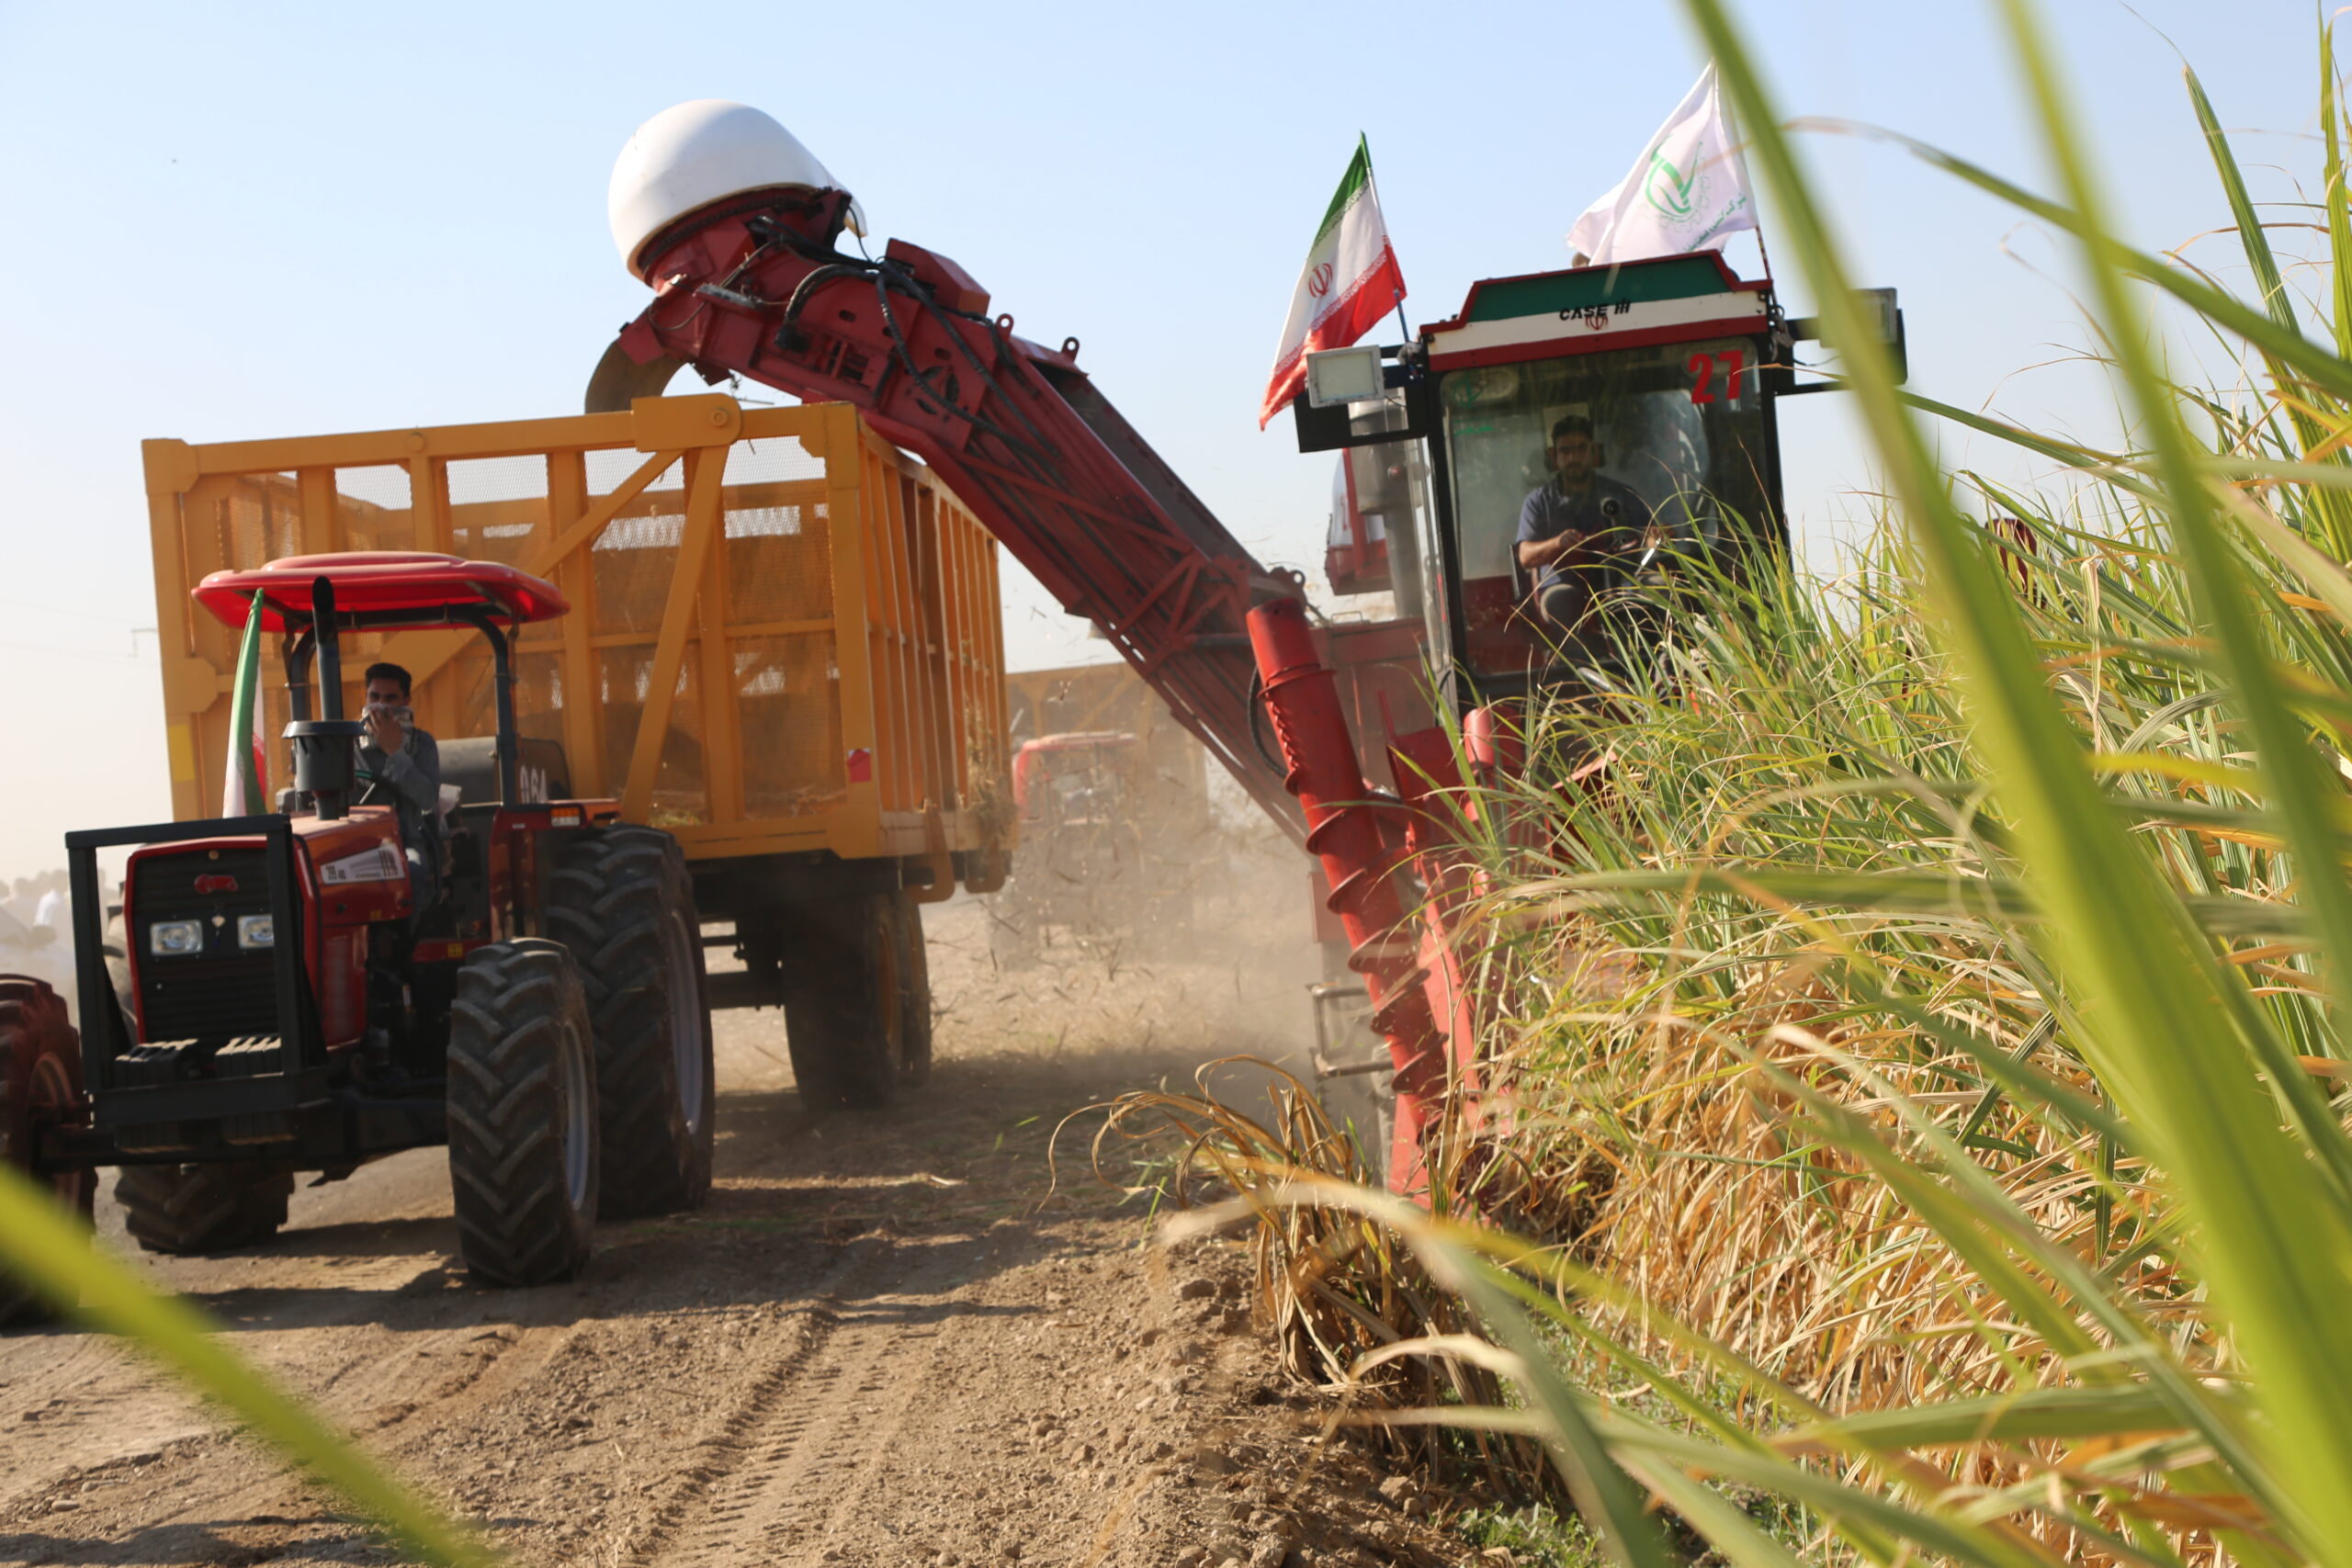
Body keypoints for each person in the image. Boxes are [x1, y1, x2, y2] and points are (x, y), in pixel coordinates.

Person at [1515, 414, 1654, 633]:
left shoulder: (1621, 494)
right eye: (1565, 451)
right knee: (1562, 602)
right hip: (1564, 586)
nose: (1573, 457)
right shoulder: (1538, 502)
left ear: (1594, 452)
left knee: (1658, 588)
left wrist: (1657, 537)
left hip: (1624, 582)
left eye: (1581, 449)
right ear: (1553, 456)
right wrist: (1558, 543)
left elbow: (1649, 536)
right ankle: (1579, 656)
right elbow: (1525, 557)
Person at [356, 662, 443, 915]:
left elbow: (427, 798)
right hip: (355, 842)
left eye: (390, 698)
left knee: (411, 871)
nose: (381, 705)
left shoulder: (421, 743)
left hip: (403, 842)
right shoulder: (347, 743)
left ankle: (403, 937)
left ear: (406, 700)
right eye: (374, 696)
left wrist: (394, 751)